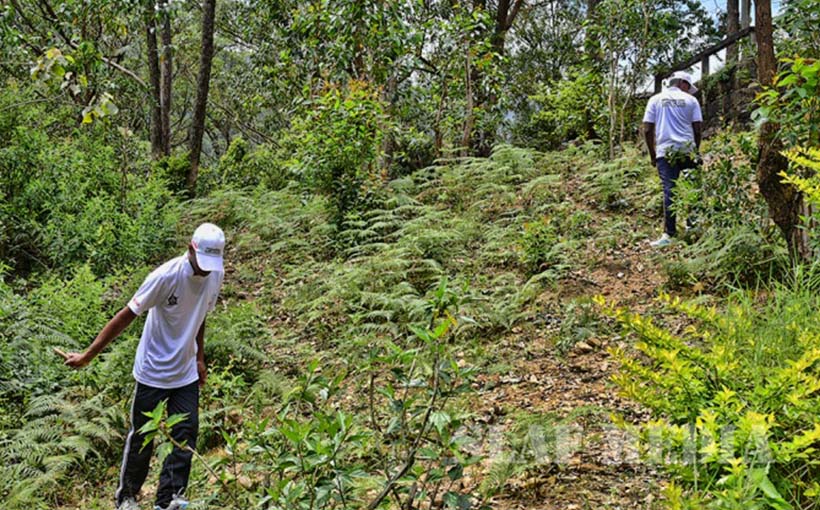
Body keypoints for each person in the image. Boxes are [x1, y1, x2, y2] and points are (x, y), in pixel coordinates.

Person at [63, 223, 226, 510]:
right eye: (202, 264)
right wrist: (88, 355)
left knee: (185, 435)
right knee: (141, 437)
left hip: (185, 371)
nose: (205, 271)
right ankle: (126, 497)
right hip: (153, 370)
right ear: (190, 249)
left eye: (211, 265)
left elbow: (201, 316)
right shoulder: (165, 276)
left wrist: (200, 357)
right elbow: (126, 315)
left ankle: (169, 499)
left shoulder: (216, 274)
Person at [643, 70, 703, 247]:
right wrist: (695, 151)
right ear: (682, 83)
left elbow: (647, 129)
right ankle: (693, 226)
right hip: (687, 150)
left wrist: (653, 155)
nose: (688, 90)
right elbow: (698, 129)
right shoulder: (691, 101)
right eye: (688, 87)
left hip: (665, 152)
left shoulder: (655, 100)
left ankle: (669, 234)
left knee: (670, 190)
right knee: (692, 188)